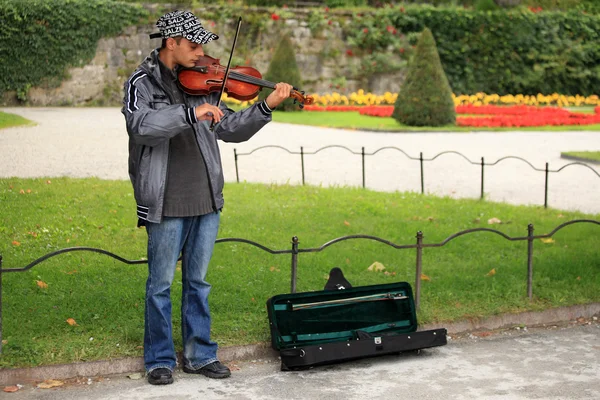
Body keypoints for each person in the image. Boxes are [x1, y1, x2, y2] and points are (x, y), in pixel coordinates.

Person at [122, 10, 293, 385]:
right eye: (194, 45)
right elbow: (141, 127)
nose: (201, 53)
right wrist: (189, 112)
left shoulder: (206, 81)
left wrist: (265, 107)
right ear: (172, 43)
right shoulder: (141, 83)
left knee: (198, 284)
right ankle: (160, 359)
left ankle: (200, 355)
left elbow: (228, 127)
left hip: (206, 199)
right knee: (161, 285)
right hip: (166, 201)